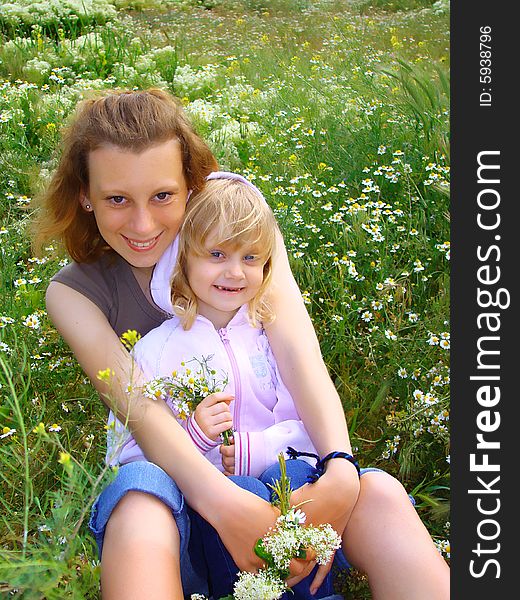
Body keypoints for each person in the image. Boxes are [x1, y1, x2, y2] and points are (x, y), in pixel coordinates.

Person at [35, 88, 449, 600]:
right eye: (116, 199)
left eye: (162, 196)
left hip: (271, 479)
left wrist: (340, 467)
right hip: (177, 504)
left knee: (380, 491)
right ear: (84, 195)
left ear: (191, 185)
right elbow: (138, 410)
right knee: (140, 499)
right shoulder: (74, 293)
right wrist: (230, 508)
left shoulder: (237, 237)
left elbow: (301, 358)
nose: (143, 225)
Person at [111, 172, 359, 599]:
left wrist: (256, 448)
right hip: (212, 508)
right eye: (217, 253)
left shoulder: (269, 340)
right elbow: (128, 453)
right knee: (240, 489)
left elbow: (306, 425)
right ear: (183, 258)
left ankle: (316, 591)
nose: (234, 272)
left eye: (251, 258)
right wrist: (194, 435)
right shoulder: (157, 349)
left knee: (302, 475)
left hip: (281, 475)